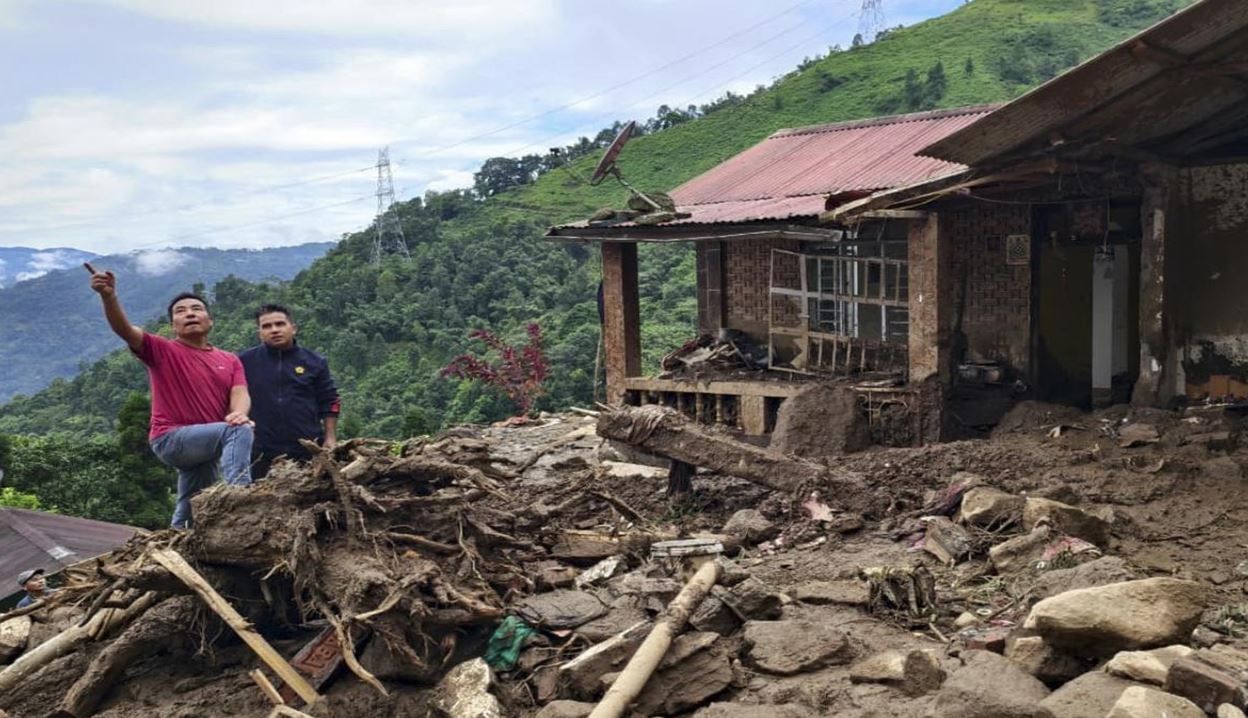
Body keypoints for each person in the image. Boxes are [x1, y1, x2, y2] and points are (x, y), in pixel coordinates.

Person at [86, 263, 253, 529]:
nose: (189, 314)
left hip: (202, 447)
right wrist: (109, 297)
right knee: (237, 432)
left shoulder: (229, 359)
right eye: (180, 311)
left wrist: (239, 413)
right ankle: (242, 502)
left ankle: (176, 544)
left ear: (210, 321)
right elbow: (125, 330)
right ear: (173, 325)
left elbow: (240, 393)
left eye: (197, 309)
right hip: (171, 437)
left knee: (190, 510)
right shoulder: (162, 350)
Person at [238, 304, 340, 478]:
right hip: (260, 450)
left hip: (307, 447)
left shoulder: (315, 362)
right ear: (260, 333)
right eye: (267, 326)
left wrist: (330, 437)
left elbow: (329, 400)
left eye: (280, 324)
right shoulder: (244, 361)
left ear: (293, 328)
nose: (274, 330)